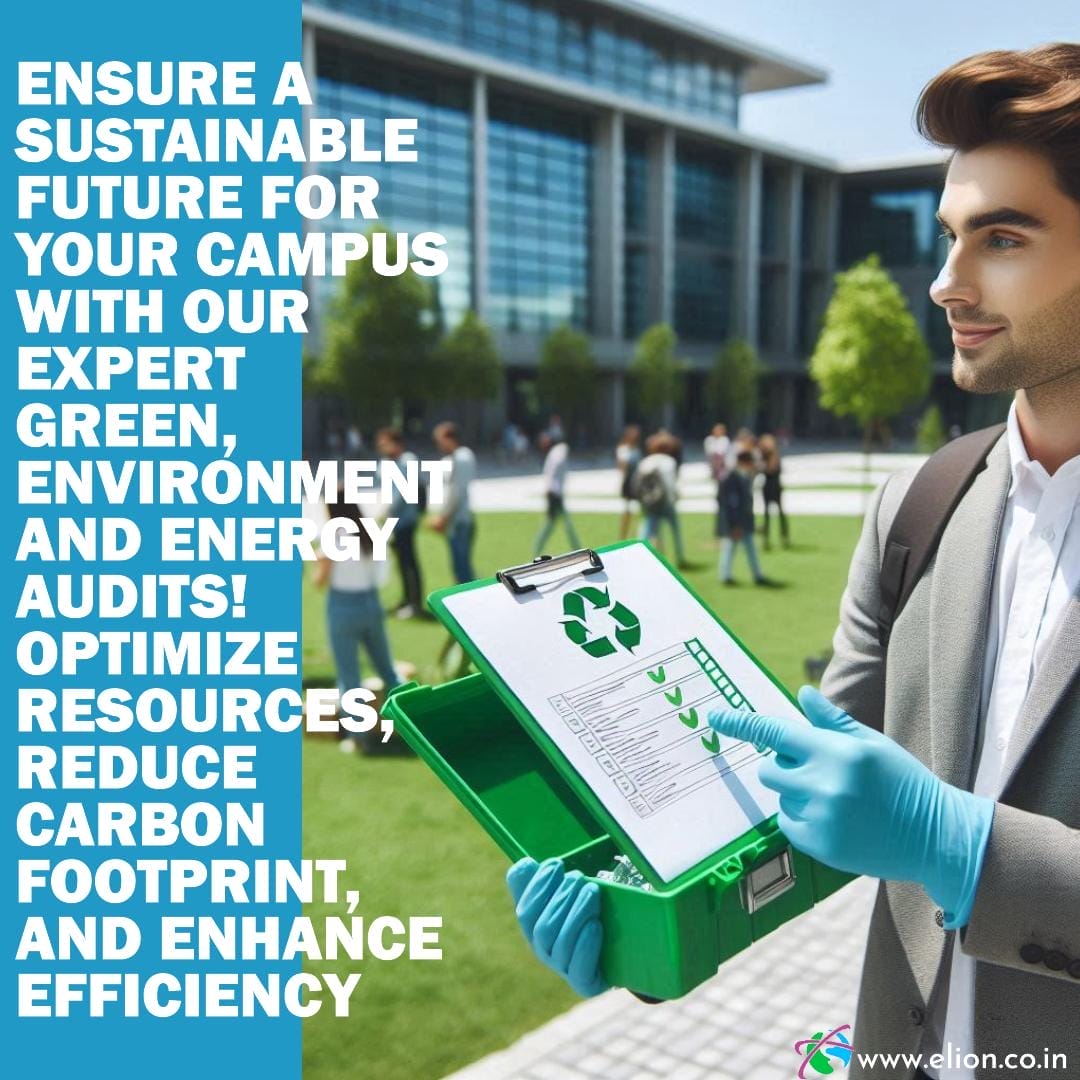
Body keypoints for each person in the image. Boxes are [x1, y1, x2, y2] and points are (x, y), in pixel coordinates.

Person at [503, 44, 1080, 1080]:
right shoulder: (919, 507)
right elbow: (788, 818)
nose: (947, 283)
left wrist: (963, 848)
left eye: (1001, 238)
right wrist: (647, 921)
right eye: (950, 237)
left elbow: (927, 838)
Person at [312, 489, 401, 753]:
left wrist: (319, 561)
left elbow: (320, 581)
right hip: (371, 603)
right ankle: (412, 721)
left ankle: (357, 736)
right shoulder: (371, 533)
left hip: (343, 607)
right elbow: (382, 576)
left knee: (349, 676)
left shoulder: (332, 537)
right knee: (387, 669)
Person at [375, 427, 426, 619]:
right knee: (401, 563)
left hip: (406, 519)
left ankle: (415, 603)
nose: (382, 447)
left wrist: (388, 511)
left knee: (409, 562)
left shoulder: (407, 461)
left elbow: (405, 492)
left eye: (386, 442)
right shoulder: (387, 463)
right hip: (392, 521)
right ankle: (405, 599)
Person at [429, 421, 477, 584]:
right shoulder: (454, 458)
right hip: (457, 521)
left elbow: (457, 492)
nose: (438, 444)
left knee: (462, 570)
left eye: (440, 439)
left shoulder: (461, 457)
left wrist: (443, 518)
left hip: (460, 521)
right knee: (459, 567)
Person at [717, 449, 769, 585]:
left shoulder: (743, 476)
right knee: (730, 548)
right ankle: (725, 575)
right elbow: (732, 504)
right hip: (736, 522)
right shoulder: (732, 478)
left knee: (745, 548)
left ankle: (756, 574)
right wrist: (735, 524)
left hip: (744, 520)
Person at [634, 432, 687, 567]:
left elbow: (637, 484)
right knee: (675, 528)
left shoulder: (645, 462)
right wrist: (673, 498)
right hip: (664, 501)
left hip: (649, 501)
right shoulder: (669, 462)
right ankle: (679, 556)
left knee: (647, 528)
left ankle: (637, 554)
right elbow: (669, 484)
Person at [533, 432, 582, 556]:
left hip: (554, 494)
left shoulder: (554, 453)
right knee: (553, 525)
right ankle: (537, 547)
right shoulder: (558, 452)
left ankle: (575, 547)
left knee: (556, 524)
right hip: (555, 495)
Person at [758, 433, 790, 550]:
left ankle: (784, 536)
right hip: (768, 487)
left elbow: (772, 469)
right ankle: (767, 538)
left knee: (780, 513)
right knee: (767, 514)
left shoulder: (774, 457)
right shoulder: (764, 456)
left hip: (775, 487)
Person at [615, 425, 642, 540]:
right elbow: (621, 467)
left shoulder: (637, 450)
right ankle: (623, 536)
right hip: (628, 483)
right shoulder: (623, 450)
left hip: (637, 482)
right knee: (627, 511)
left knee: (641, 512)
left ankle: (638, 535)